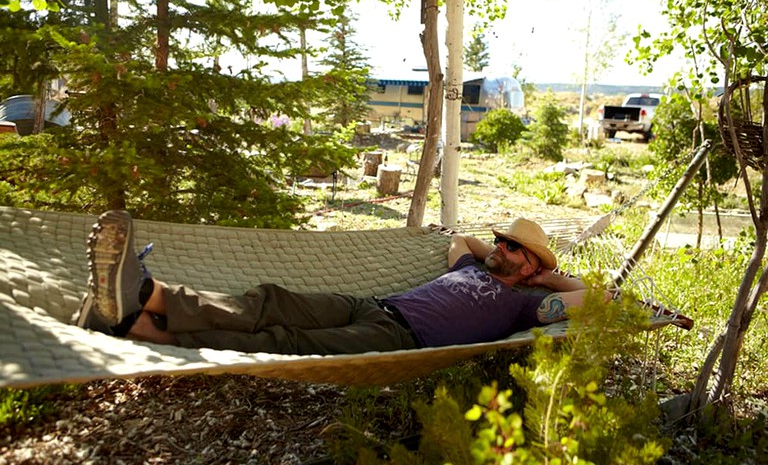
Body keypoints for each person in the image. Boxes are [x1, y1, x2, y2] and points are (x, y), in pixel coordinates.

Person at [76, 211, 590, 354]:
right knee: (270, 301)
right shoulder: (472, 267)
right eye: (501, 240)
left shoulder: (525, 307)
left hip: (398, 339)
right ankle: (148, 295)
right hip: (368, 303)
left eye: (511, 246)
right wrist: (491, 249)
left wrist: (547, 275)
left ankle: (146, 330)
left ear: (530, 266)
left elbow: (598, 296)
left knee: (285, 343)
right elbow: (458, 243)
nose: (499, 246)